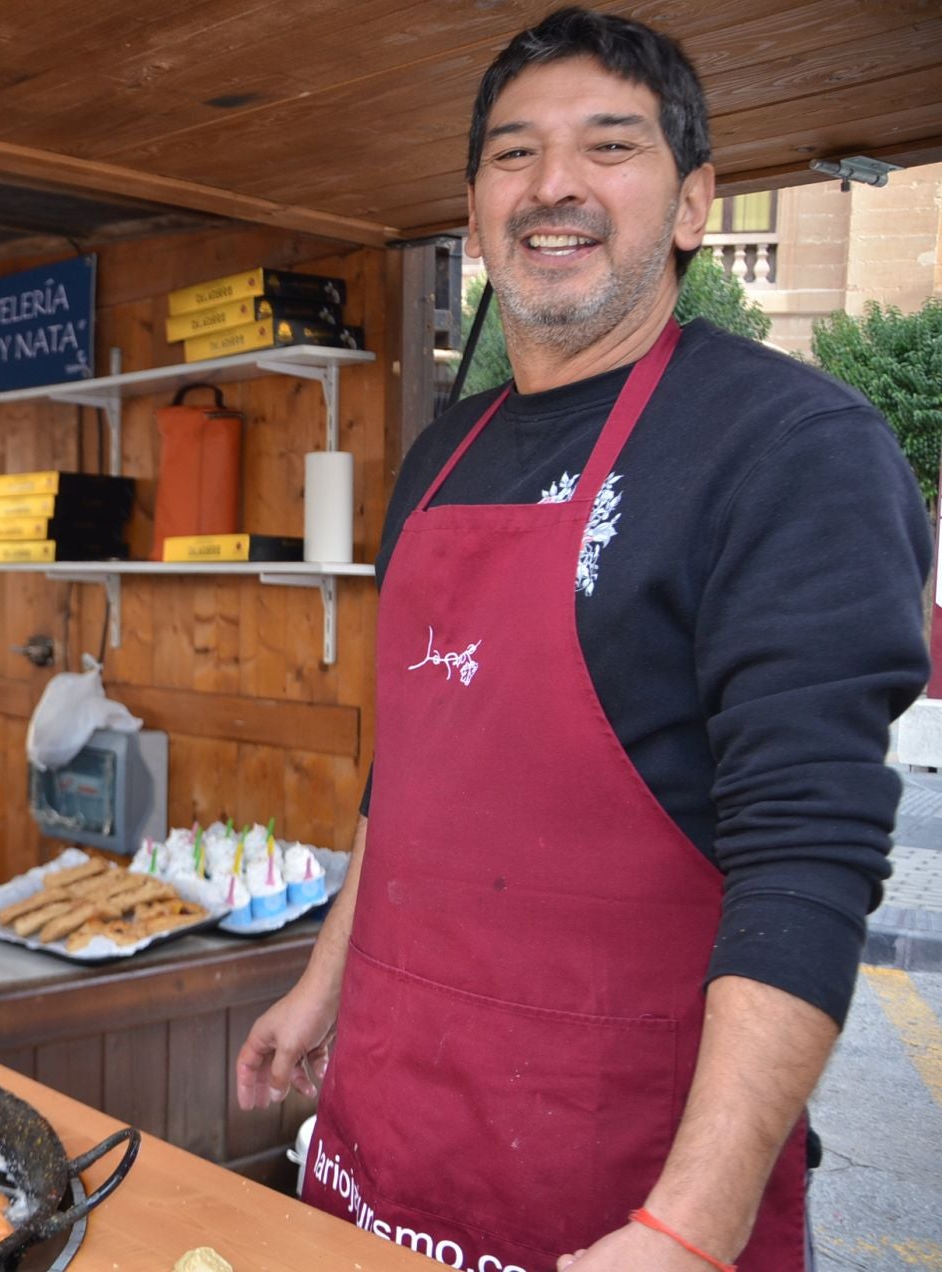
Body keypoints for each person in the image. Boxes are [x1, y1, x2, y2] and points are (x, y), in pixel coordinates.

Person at [235, 11, 930, 1272]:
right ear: (476, 208)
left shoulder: (790, 449)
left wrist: (692, 1228)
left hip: (626, 1196)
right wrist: (320, 987)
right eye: (514, 156)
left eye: (609, 146)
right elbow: (414, 773)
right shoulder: (442, 456)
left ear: (692, 202)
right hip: (384, 1144)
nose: (553, 185)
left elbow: (809, 862)